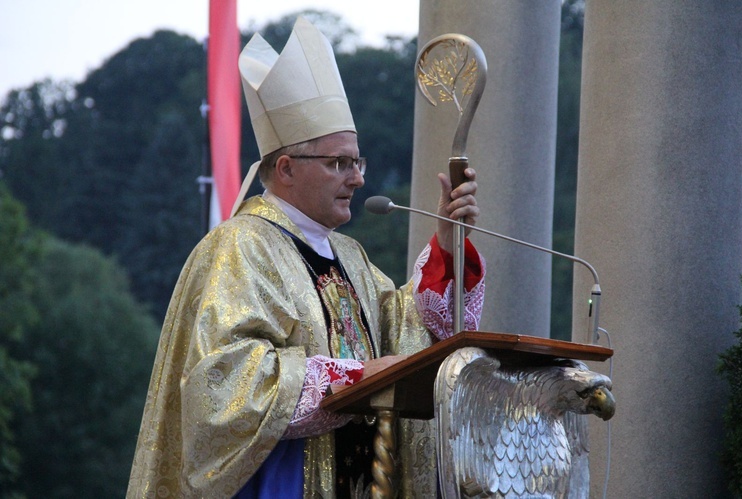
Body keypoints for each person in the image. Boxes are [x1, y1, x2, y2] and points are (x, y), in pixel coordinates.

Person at [127, 17, 485, 499]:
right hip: (282, 480)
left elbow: (406, 327)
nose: (357, 179)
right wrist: (355, 378)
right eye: (339, 163)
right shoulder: (239, 247)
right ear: (287, 168)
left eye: (358, 162)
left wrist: (446, 242)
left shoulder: (350, 257)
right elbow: (226, 387)